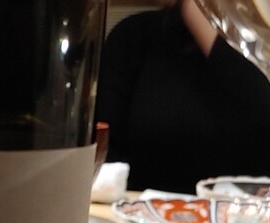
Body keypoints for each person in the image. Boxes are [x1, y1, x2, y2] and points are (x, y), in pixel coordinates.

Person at [95, 0, 270, 194]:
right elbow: (104, 164)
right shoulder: (133, 37)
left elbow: (261, 105)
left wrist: (197, 11)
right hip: (145, 211)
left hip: (253, 211)